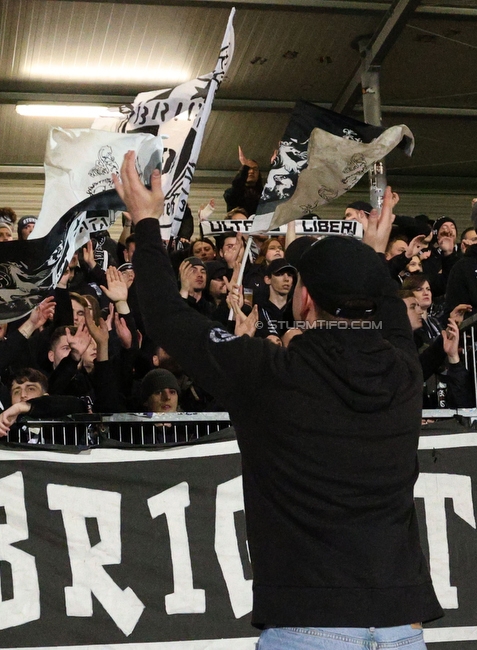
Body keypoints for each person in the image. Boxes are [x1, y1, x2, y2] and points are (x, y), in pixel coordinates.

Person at [113, 151, 441, 648]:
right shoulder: (404, 371)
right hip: (402, 626)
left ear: (304, 299)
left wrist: (146, 222)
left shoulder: (268, 372)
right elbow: (390, 315)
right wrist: (372, 259)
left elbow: (165, 316)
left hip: (308, 623)